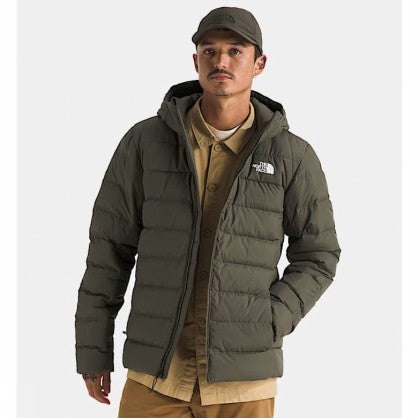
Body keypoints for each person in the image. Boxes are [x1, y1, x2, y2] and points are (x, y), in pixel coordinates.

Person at [74, 6, 341, 418]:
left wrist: (271, 319)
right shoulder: (144, 143)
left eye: (235, 51)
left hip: (243, 382)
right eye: (210, 50)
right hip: (156, 373)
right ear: (195, 60)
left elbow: (319, 254)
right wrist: (93, 349)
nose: (221, 61)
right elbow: (109, 249)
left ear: (259, 63)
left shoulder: (292, 156)